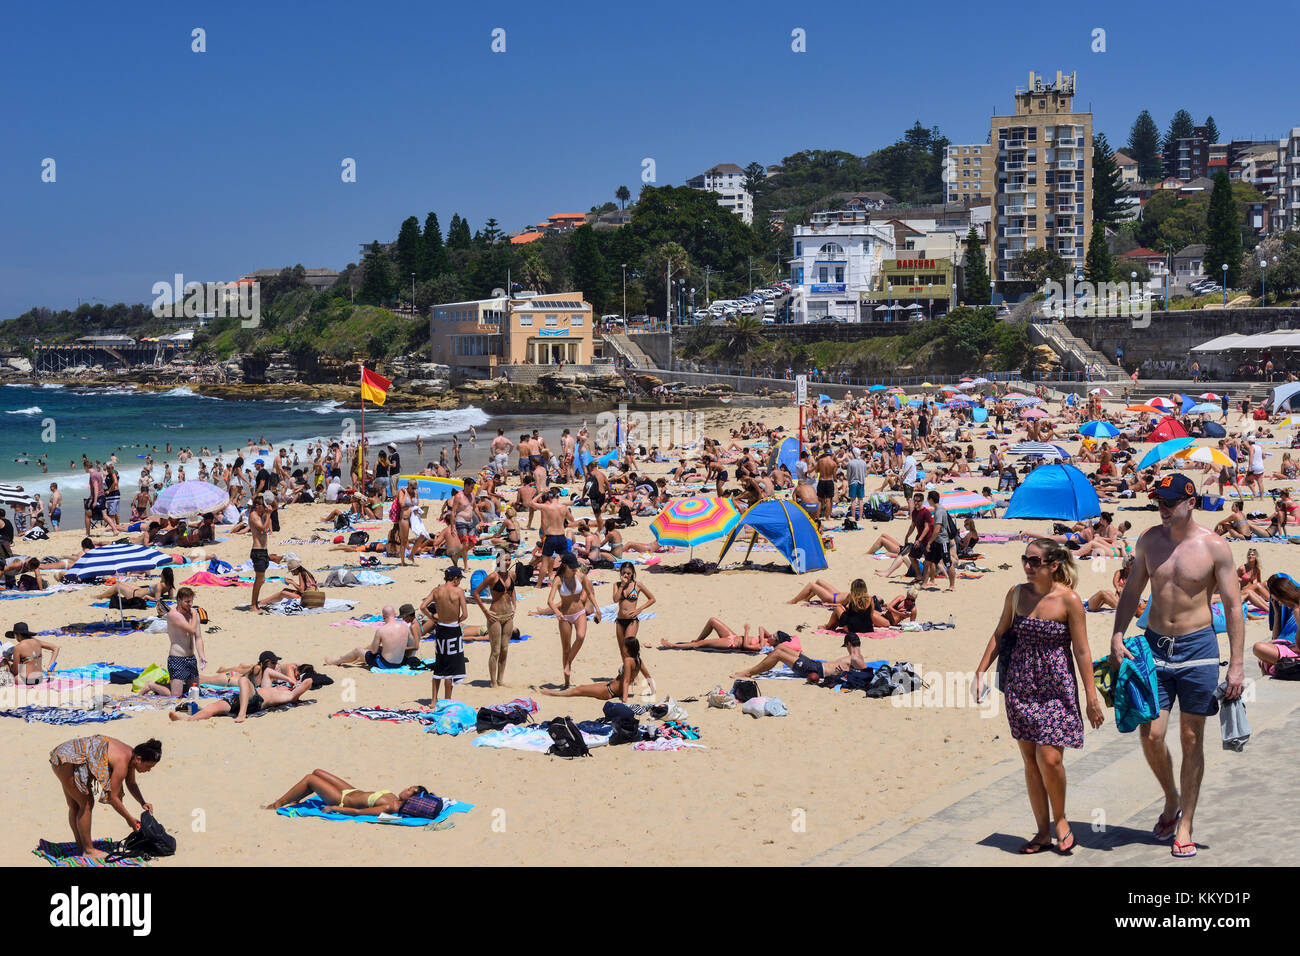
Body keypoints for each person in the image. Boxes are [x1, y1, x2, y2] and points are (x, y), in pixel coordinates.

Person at [1109, 473, 1244, 859]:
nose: (1163, 508)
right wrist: (1118, 635)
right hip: (1153, 648)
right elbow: (1133, 589)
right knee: (1151, 734)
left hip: (1198, 649)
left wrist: (1236, 664)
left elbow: (1234, 607)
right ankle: (1172, 799)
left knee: (1190, 738)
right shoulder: (1149, 540)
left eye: (1169, 502)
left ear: (1191, 502)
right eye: (1159, 502)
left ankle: (1185, 824)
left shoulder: (1214, 547)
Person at [973, 539, 1104, 855]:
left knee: (1050, 758)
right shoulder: (1017, 594)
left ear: (1053, 565)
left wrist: (1091, 697)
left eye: (1035, 561)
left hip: (1056, 688)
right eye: (1025, 560)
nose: (1028, 566)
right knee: (1031, 760)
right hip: (1021, 686)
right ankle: (1042, 832)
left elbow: (1082, 650)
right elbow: (1000, 633)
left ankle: (1060, 820)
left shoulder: (1069, 600)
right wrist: (980, 672)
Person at [49, 736, 161, 861]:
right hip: (68, 759)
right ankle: (88, 850)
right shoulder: (122, 762)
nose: (149, 770)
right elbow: (112, 797)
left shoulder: (131, 754)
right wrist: (129, 819)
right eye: (148, 766)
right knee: (85, 804)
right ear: (139, 759)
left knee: (75, 805)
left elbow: (131, 783)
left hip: (64, 753)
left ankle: (81, 846)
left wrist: (142, 802)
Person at [170, 651, 313, 722]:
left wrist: (296, 685)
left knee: (243, 681)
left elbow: (309, 682)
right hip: (241, 697)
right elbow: (268, 671)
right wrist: (290, 680)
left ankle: (241, 714)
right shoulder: (271, 684)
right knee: (213, 707)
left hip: (256, 701)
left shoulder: (287, 695)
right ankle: (187, 720)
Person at [262, 770, 432, 816]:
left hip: (342, 800)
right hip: (352, 790)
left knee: (310, 779)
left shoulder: (389, 806)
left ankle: (277, 804)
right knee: (317, 772)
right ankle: (294, 798)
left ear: (413, 798)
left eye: (410, 790)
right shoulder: (394, 798)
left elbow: (359, 812)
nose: (406, 788)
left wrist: (335, 808)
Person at [139, 587, 205, 697]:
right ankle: (151, 685)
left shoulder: (193, 614)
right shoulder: (174, 615)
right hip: (177, 658)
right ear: (179, 600)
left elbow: (198, 637)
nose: (190, 604)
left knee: (194, 691)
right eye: (187, 601)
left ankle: (171, 685)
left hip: (191, 658)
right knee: (176, 696)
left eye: (191, 601)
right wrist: (194, 615)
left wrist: (202, 656)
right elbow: (191, 629)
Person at [547, 551, 600, 688]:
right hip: (564, 616)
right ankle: (566, 682)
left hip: (579, 612)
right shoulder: (558, 580)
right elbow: (550, 601)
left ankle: (568, 663)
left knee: (581, 636)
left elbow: (590, 593)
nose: (575, 568)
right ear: (565, 566)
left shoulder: (581, 576)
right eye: (572, 566)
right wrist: (557, 612)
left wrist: (598, 610)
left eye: (575, 566)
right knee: (565, 648)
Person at [542, 637, 644, 700]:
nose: (623, 648)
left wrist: (624, 699)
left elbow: (626, 681)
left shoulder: (628, 661)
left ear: (628, 649)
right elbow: (647, 676)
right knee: (582, 688)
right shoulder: (639, 661)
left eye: (624, 646)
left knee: (579, 690)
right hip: (611, 687)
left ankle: (555, 693)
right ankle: (556, 693)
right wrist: (653, 690)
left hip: (609, 691)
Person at [610, 562, 656, 701]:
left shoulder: (638, 585)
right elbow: (615, 599)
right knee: (622, 650)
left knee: (630, 650)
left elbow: (652, 599)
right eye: (624, 573)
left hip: (632, 621)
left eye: (629, 573)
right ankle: (631, 676)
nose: (626, 575)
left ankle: (637, 675)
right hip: (620, 620)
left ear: (633, 573)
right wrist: (623, 585)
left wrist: (639, 609)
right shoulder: (617, 585)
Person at [325, 605, 420, 669]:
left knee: (358, 650)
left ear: (383, 616)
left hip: (386, 664)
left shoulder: (381, 630)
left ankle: (338, 661)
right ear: (395, 615)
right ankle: (355, 659)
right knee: (374, 648)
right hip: (400, 663)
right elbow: (412, 645)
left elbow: (374, 651)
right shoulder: (405, 627)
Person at [473, 554, 516, 688]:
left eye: (509, 560)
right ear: (499, 561)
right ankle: (493, 682)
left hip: (508, 615)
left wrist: (515, 605)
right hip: (495, 616)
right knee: (495, 650)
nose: (508, 562)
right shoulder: (492, 576)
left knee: (505, 648)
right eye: (505, 560)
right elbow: (476, 593)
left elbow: (512, 590)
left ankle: (500, 679)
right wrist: (485, 612)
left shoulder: (512, 575)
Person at [427, 565, 468, 704]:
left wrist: (432, 618)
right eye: (460, 579)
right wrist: (457, 621)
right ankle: (447, 700)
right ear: (455, 578)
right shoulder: (459, 591)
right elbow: (465, 615)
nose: (460, 581)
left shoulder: (436, 590)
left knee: (440, 663)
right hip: (453, 629)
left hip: (441, 629)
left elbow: (422, 607)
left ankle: (433, 701)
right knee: (451, 667)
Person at [1253, 572, 1300, 675]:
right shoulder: (1294, 609)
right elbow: (1276, 638)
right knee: (1266, 653)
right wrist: (1277, 613)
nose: (1279, 603)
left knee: (1258, 648)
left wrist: (1290, 646)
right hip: (1293, 649)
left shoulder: (1297, 611)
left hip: (1295, 654)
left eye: (1278, 600)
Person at [660, 617, 765, 652]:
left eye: (775, 637)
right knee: (712, 620)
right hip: (733, 636)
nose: (772, 636)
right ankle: (697, 639)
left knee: (700, 644)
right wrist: (768, 637)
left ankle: (673, 645)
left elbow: (746, 646)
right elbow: (762, 628)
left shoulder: (762, 646)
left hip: (731, 643)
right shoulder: (767, 639)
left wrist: (746, 631)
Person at [247, 495, 271, 612]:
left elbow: (275, 506)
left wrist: (269, 509)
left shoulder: (261, 516)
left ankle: (255, 604)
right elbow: (262, 529)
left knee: (261, 580)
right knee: (259, 579)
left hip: (264, 550)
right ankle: (253, 605)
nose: (264, 508)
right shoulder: (253, 515)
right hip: (257, 551)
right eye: (263, 505)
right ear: (257, 506)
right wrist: (269, 515)